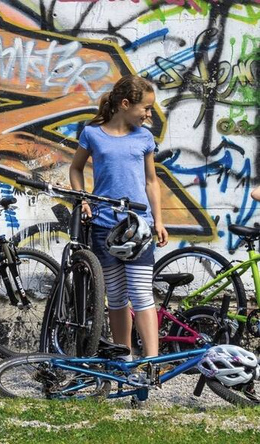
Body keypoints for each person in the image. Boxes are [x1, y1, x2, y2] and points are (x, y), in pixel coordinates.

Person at [69, 75, 169, 360]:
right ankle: (124, 359)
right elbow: (75, 169)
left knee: (141, 294)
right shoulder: (92, 134)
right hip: (103, 226)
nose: (149, 114)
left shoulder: (144, 138)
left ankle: (151, 362)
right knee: (115, 296)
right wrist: (82, 198)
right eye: (146, 108)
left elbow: (151, 181)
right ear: (125, 104)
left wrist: (158, 220)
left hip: (138, 228)